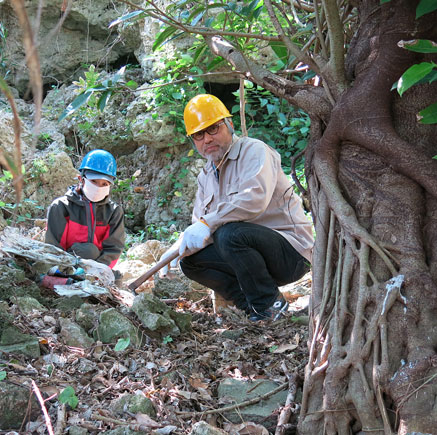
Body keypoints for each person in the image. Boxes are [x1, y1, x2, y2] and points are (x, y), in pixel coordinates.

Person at [160, 94, 314, 321]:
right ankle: (250, 306)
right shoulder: (205, 176)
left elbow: (254, 200)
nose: (207, 139)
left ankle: (270, 306)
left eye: (213, 128)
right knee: (191, 261)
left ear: (229, 125)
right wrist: (178, 248)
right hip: (247, 255)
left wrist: (207, 224)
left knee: (228, 233)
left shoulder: (254, 151)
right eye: (199, 135)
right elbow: (200, 228)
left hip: (291, 253)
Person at [45, 149, 125, 268]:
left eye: (105, 184)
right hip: (64, 264)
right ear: (81, 179)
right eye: (94, 181)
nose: (98, 187)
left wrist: (98, 271)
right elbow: (53, 247)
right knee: (89, 251)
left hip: (97, 268)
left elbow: (113, 249)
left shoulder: (113, 212)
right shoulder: (61, 207)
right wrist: (65, 270)